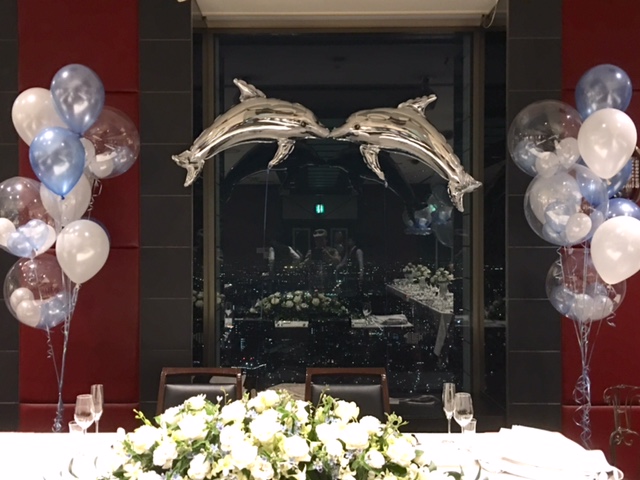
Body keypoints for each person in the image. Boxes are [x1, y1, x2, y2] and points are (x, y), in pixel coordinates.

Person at [336, 237, 364, 305]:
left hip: (355, 275)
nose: (347, 242)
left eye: (349, 240)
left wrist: (361, 274)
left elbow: (361, 263)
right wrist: (337, 267)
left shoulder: (358, 251)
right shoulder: (348, 252)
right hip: (349, 275)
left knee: (356, 291)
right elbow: (343, 262)